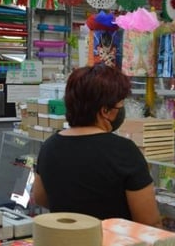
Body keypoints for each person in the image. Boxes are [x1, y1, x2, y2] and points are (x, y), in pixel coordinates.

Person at [33, 64, 161, 227]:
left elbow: (40, 198)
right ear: (105, 111)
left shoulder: (50, 146)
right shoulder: (124, 151)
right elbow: (149, 221)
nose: (122, 112)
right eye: (120, 106)